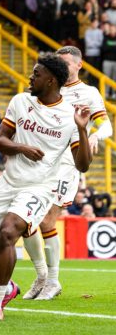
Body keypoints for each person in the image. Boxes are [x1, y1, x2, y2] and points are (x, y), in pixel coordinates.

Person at [0, 53, 91, 321]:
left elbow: (83, 165)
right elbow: (1, 141)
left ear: (50, 80)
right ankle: (9, 288)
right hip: (8, 183)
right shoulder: (20, 101)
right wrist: (22, 147)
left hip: (39, 188)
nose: (31, 77)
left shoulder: (69, 117)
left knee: (8, 231)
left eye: (36, 74)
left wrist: (83, 130)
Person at [22, 46, 112, 301]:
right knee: (25, 220)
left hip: (66, 165)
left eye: (65, 64)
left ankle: (51, 281)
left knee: (47, 220)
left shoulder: (88, 93)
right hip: (40, 161)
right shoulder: (51, 88)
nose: (60, 69)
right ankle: (42, 276)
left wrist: (93, 136)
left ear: (78, 65)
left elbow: (106, 126)